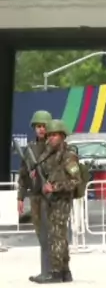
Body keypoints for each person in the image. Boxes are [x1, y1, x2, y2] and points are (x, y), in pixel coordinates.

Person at [30, 119, 82, 285]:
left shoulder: (68, 156)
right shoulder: (49, 154)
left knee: (56, 236)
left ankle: (56, 273)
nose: (51, 138)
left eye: (54, 135)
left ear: (62, 136)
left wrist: (55, 187)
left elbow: (76, 180)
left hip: (61, 199)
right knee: (58, 235)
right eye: (49, 135)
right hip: (51, 200)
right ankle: (65, 272)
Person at [17, 110, 52, 275]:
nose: (41, 129)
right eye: (38, 126)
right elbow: (23, 175)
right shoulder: (30, 149)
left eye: (44, 126)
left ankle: (54, 269)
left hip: (52, 196)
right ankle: (46, 270)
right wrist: (20, 197)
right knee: (41, 234)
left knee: (53, 235)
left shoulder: (54, 147)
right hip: (36, 196)